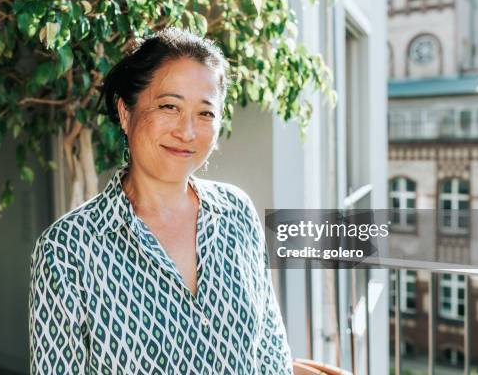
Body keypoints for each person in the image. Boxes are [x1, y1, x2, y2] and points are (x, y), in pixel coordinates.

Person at [28, 27, 293, 374]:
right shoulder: (67, 248)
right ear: (126, 113)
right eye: (170, 106)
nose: (187, 131)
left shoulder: (237, 212)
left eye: (206, 113)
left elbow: (271, 355)